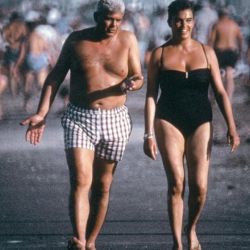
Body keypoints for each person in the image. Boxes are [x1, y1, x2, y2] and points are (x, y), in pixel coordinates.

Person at [20, 0, 143, 249]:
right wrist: (41, 113)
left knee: (103, 185)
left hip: (115, 118)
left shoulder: (128, 40)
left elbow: (138, 75)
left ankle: (91, 241)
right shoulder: (76, 40)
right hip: (79, 117)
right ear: (98, 16)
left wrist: (133, 83)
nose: (113, 25)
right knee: (81, 180)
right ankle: (79, 239)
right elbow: (55, 76)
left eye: (118, 20)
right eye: (109, 18)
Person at [143, 1, 240, 250]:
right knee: (176, 182)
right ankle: (177, 243)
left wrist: (231, 126)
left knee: (200, 187)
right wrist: (148, 133)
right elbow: (151, 95)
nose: (183, 25)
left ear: (193, 22)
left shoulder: (207, 52)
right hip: (168, 119)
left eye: (188, 20)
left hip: (200, 120)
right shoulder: (159, 54)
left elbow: (219, 91)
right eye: (178, 20)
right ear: (169, 22)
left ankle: (191, 228)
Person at [208, 7, 243, 101]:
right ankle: (228, 98)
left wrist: (208, 53)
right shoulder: (234, 25)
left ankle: (216, 97)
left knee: (216, 74)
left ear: (219, 15)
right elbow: (240, 40)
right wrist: (240, 52)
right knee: (229, 74)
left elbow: (211, 40)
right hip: (232, 52)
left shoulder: (217, 25)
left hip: (219, 52)